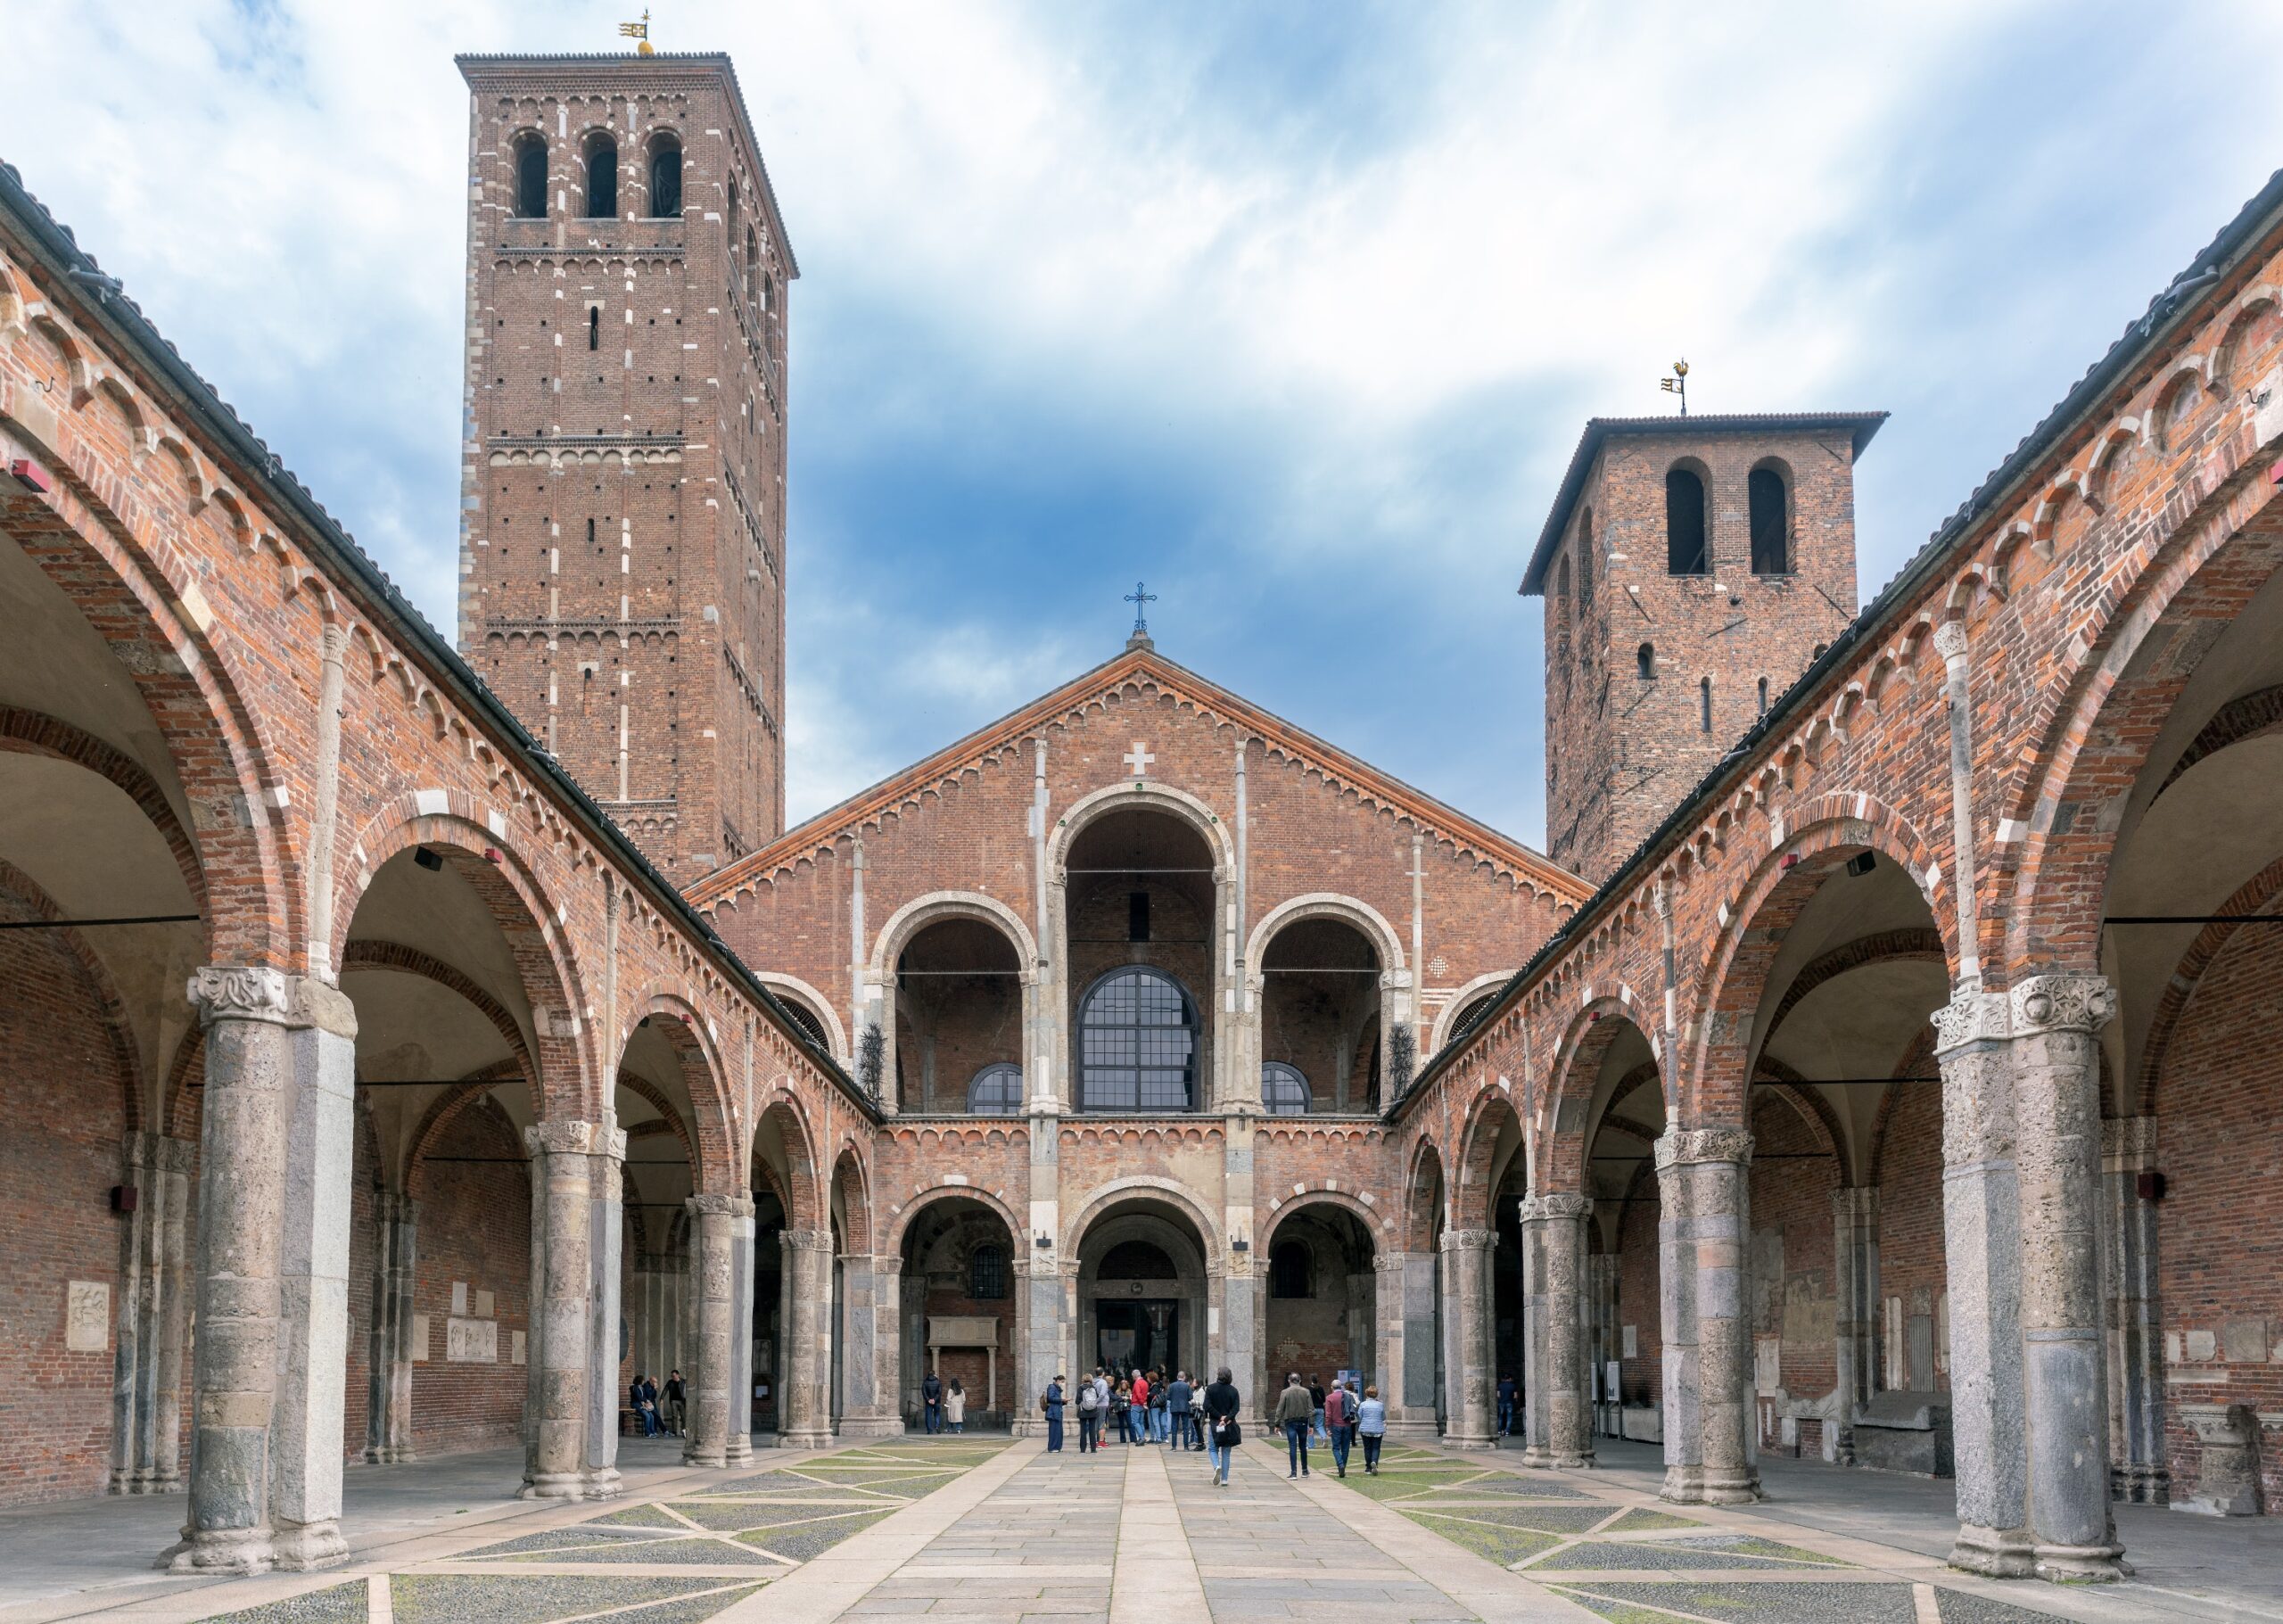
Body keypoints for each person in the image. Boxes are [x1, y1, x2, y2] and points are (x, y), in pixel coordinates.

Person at [1202, 1365, 1241, 1487]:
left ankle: (1216, 1466)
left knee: (1213, 1449)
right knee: (1226, 1451)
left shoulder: (1211, 1389)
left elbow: (1207, 1406)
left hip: (1215, 1423)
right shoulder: (1233, 1390)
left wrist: (1220, 1417)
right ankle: (1225, 1479)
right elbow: (1236, 1408)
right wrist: (1227, 1418)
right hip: (1228, 1425)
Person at [1275, 1371, 1314, 1478]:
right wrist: (1311, 1425)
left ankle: (1293, 1473)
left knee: (1292, 1447)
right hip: (1303, 1421)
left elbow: (1280, 1409)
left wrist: (1277, 1424)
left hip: (1290, 1422)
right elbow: (1311, 1409)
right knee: (1303, 1447)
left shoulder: (1285, 1392)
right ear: (1300, 1381)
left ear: (1289, 1381)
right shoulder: (1306, 1391)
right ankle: (1305, 1470)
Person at [1323, 1377, 1354, 1478]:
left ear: (1332, 1387)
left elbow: (1328, 1414)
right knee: (1345, 1448)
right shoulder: (1347, 1396)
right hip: (1347, 1425)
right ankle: (1343, 1467)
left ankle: (1340, 1465)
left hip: (1336, 1425)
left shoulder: (1329, 1398)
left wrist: (1327, 1427)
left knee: (1336, 1448)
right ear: (1341, 1387)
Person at [1357, 1384, 1387, 1475]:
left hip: (1365, 1429)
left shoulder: (1363, 1404)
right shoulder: (1380, 1405)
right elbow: (1383, 1417)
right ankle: (1374, 1462)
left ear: (1367, 1394)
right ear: (1376, 1394)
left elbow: (1359, 1416)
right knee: (1376, 1447)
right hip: (1377, 1429)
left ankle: (1368, 1468)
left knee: (1367, 1448)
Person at [1166, 1370, 1194, 1451]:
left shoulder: (1171, 1386)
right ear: (1184, 1377)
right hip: (1184, 1408)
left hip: (1174, 1408)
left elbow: (1168, 1397)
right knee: (1185, 1428)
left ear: (1177, 1377)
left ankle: (1174, 1447)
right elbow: (1190, 1397)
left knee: (1174, 1427)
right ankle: (1186, 1447)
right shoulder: (1187, 1386)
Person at [1077, 1368, 1101, 1453]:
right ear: (1091, 1380)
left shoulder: (1081, 1388)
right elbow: (1097, 1397)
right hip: (1093, 1410)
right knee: (1092, 1430)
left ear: (1083, 1380)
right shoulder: (1094, 1388)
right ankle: (1093, 1449)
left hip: (1083, 1411)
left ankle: (1083, 1449)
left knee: (1083, 1431)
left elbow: (1077, 1401)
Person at [631, 1372, 660, 1437]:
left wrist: (647, 1401)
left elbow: (645, 1396)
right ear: (640, 1380)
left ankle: (653, 1432)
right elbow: (639, 1397)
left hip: (642, 1404)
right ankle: (648, 1433)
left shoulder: (642, 1388)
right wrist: (646, 1400)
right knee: (647, 1416)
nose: (644, 1381)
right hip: (636, 1404)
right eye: (643, 1380)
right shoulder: (635, 1387)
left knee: (652, 1416)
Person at [1043, 1373, 1066, 1453]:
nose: (1062, 1384)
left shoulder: (1056, 1388)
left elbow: (1056, 1399)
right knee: (1054, 1430)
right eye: (1062, 1382)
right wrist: (1061, 1400)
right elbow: (1051, 1398)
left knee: (1058, 1430)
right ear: (1058, 1380)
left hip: (1057, 1411)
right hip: (1053, 1412)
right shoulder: (1052, 1387)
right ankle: (1052, 1448)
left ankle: (1057, 1447)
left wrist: (1064, 1402)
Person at [663, 1369, 687, 1438]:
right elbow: (665, 1389)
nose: (673, 1377)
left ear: (678, 1375)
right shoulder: (670, 1382)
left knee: (683, 1417)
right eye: (672, 1376)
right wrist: (662, 1398)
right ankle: (674, 1432)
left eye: (674, 1376)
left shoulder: (683, 1381)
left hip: (682, 1401)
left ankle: (684, 1431)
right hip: (673, 1401)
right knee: (674, 1416)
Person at [1128, 1369, 1150, 1446]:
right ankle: (1141, 1438)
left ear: (1135, 1376)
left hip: (1136, 1404)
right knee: (1141, 1423)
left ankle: (1142, 1437)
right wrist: (1144, 1403)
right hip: (1142, 1405)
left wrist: (1142, 1402)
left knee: (1135, 1422)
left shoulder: (1137, 1383)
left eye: (1133, 1376)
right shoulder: (1145, 1382)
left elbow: (1138, 1394)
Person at [922, 1368, 944, 1435]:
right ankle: (937, 1426)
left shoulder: (925, 1382)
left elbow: (924, 1392)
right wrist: (934, 1399)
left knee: (928, 1416)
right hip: (937, 1402)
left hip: (928, 1402)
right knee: (937, 1414)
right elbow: (939, 1392)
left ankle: (930, 1430)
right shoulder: (938, 1382)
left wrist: (928, 1399)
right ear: (934, 1375)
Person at [1496, 1372, 1518, 1439]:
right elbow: (1515, 1396)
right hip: (1510, 1402)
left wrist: (1501, 1400)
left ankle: (1499, 1431)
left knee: (1501, 1417)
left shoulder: (1500, 1385)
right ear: (1510, 1378)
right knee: (1509, 1417)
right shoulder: (1513, 1386)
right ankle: (1507, 1432)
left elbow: (1498, 1395)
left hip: (1501, 1403)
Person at [1309, 1377, 1328, 1446]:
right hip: (1320, 1409)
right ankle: (1324, 1437)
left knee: (1309, 1426)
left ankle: (1311, 1444)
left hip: (1311, 1409)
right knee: (1319, 1425)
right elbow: (1324, 1400)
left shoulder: (1309, 1389)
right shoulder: (1321, 1388)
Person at [1113, 1376, 1132, 1443]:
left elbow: (1132, 1400)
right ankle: (1123, 1440)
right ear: (1120, 1386)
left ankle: (1133, 1439)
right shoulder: (1117, 1392)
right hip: (1120, 1410)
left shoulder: (1129, 1391)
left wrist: (1128, 1398)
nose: (1124, 1386)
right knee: (1121, 1425)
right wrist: (1122, 1398)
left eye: (1125, 1385)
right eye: (1122, 1385)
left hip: (1128, 1409)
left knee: (1130, 1424)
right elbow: (1115, 1400)